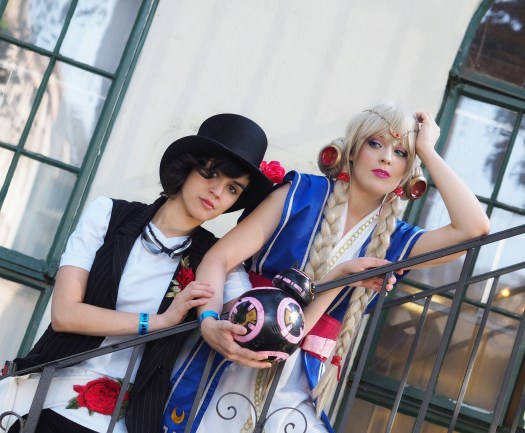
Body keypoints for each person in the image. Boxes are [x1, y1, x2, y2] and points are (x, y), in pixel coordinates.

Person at [163, 102, 490, 433]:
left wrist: (427, 151)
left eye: (401, 152)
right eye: (375, 144)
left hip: (297, 379)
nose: (386, 158)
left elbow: (474, 229)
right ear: (353, 150)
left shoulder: (398, 240)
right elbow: (219, 259)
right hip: (236, 339)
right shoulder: (302, 193)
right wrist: (208, 321)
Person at [0, 113, 275, 433]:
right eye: (211, 172)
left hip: (132, 422)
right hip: (48, 401)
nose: (217, 191)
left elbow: (256, 320)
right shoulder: (108, 215)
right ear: (188, 166)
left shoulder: (217, 260)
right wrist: (159, 321)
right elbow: (65, 314)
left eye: (232, 188)